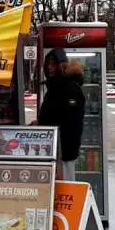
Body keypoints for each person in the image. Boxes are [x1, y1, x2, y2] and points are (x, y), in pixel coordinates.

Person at [37, 48, 85, 181]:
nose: (49, 68)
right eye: (48, 64)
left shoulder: (69, 88)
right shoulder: (55, 87)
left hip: (63, 151)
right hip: (53, 148)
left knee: (66, 187)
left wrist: (43, 123)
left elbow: (70, 122)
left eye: (53, 64)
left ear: (61, 66)